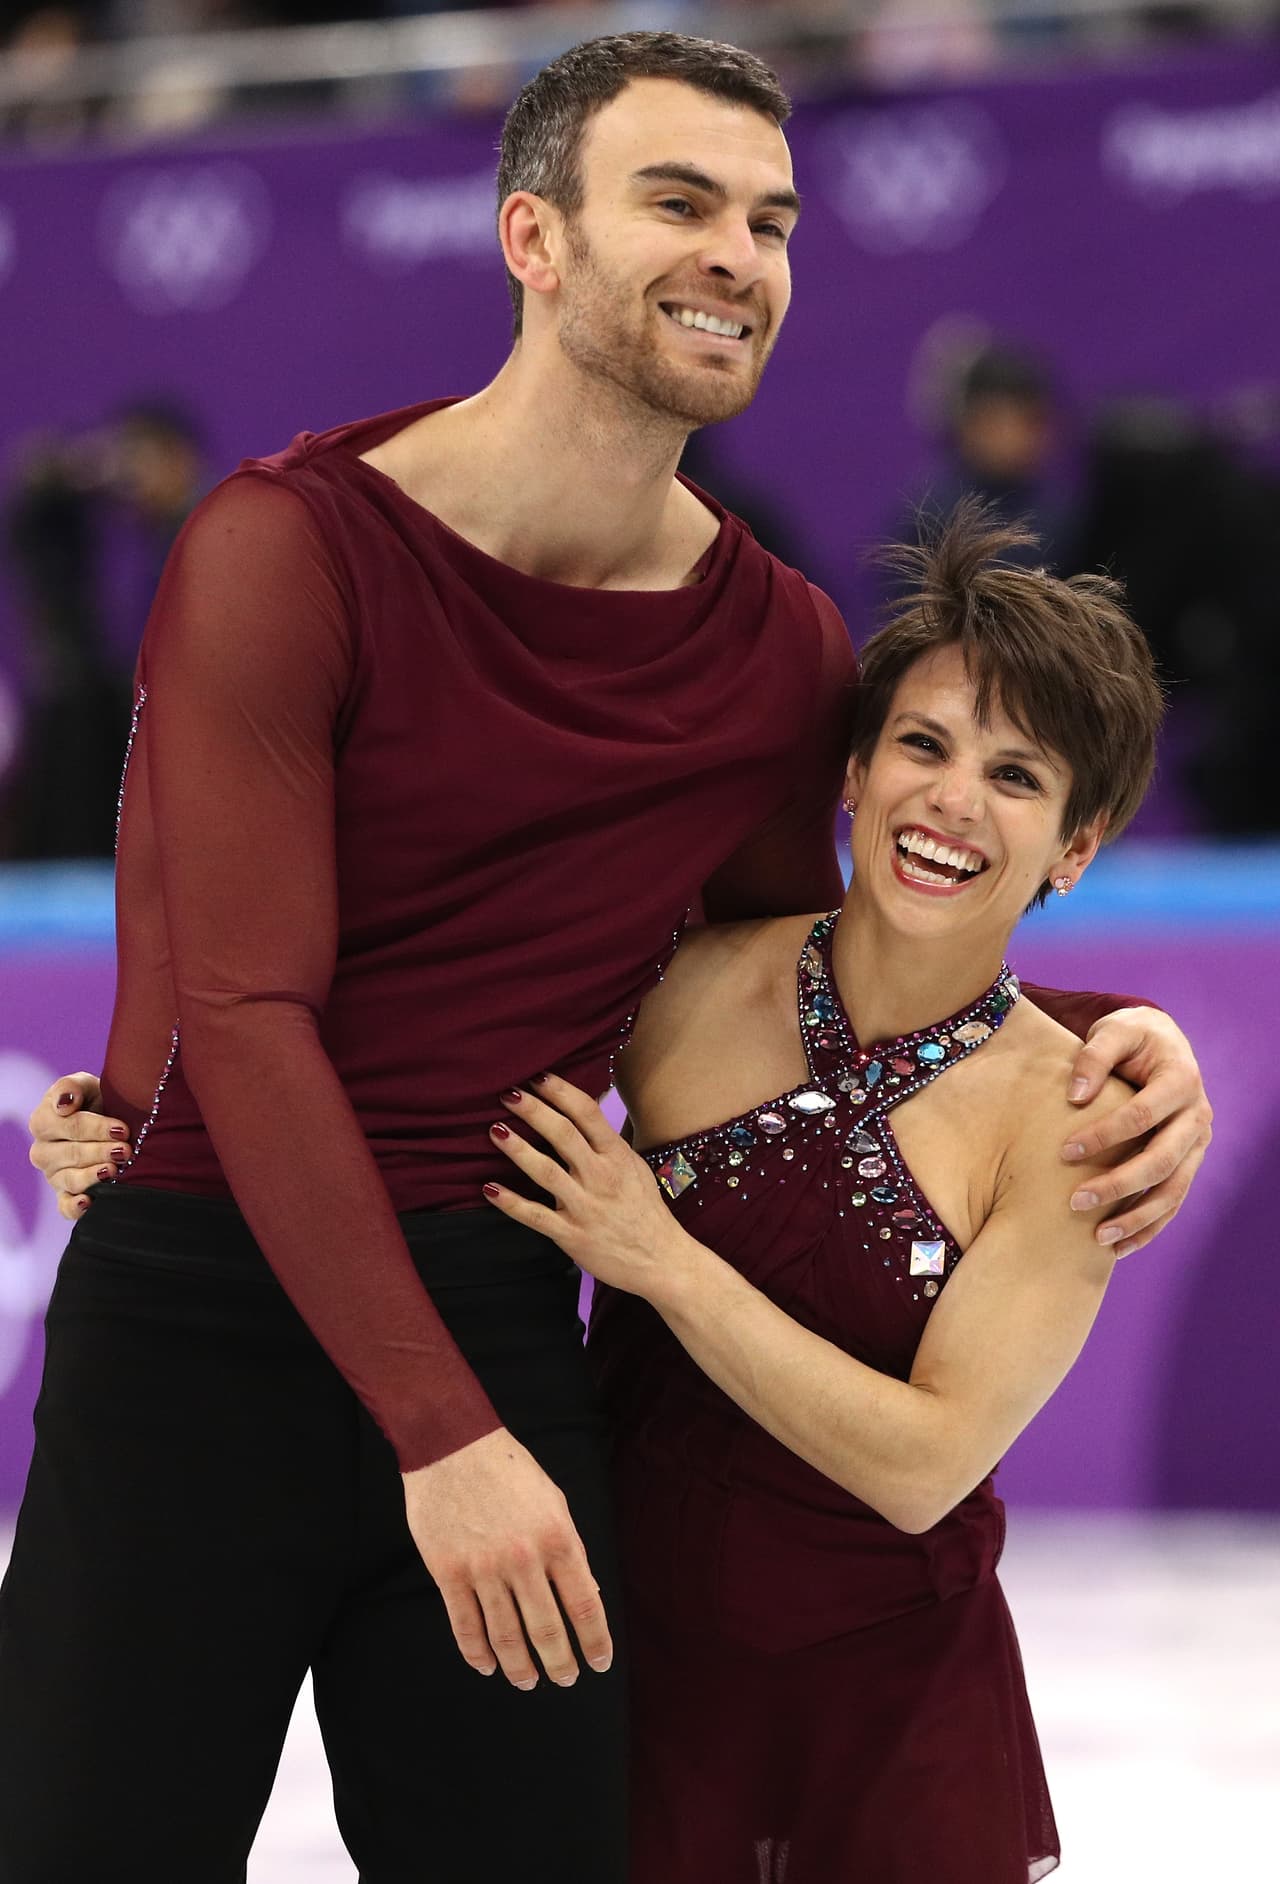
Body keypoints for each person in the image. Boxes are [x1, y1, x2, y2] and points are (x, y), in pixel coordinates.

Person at [10, 31, 1209, 1884]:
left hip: (503, 1302)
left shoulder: (775, 648)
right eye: (680, 200)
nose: (740, 250)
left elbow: (783, 973)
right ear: (533, 237)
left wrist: (1097, 1043)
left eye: (774, 219)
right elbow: (249, 1007)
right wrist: (442, 1433)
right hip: (206, 1325)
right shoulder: (283, 549)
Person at [481, 505, 1168, 1880]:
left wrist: (660, 1256)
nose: (953, 801)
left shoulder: (1075, 1120)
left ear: (1073, 852)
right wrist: (144, 1127)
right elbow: (427, 1074)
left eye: (1018, 777)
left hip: (892, 1718)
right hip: (635, 1673)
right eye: (922, 744)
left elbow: (926, 1466)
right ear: (851, 774)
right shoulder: (676, 981)